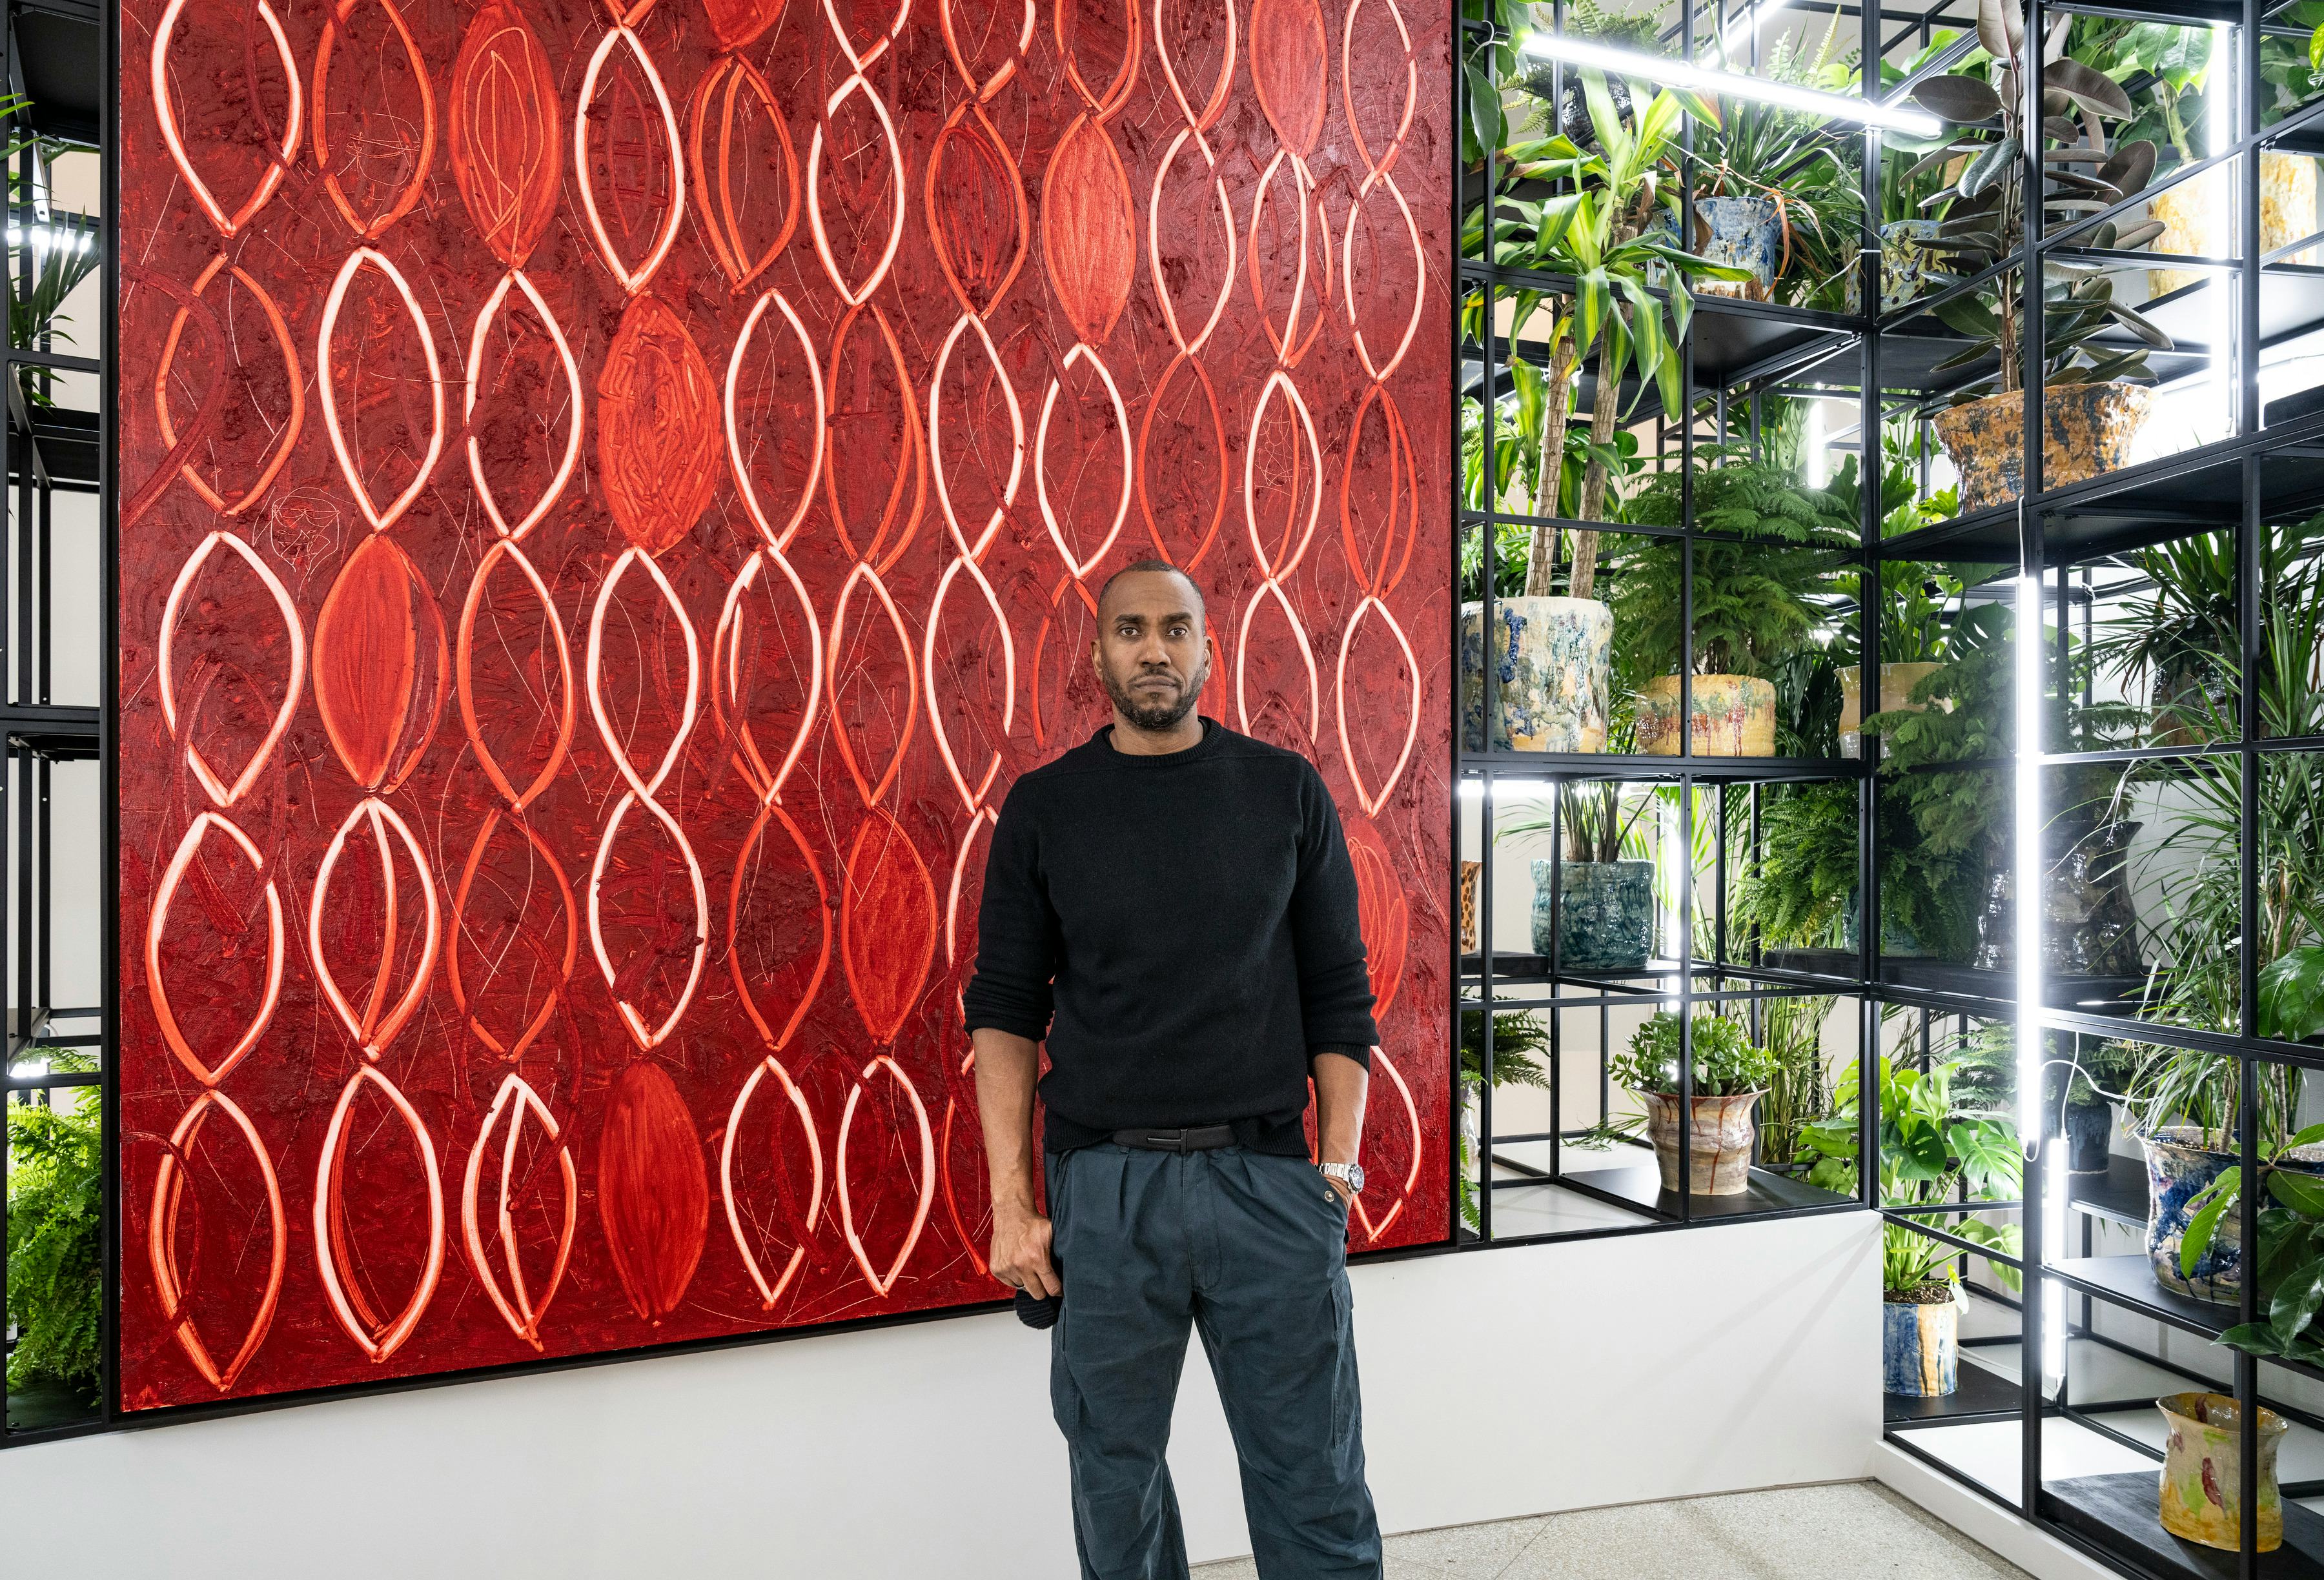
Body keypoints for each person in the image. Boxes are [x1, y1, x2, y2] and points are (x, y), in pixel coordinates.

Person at [961, 558, 1385, 1580]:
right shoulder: (1044, 808)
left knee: (1314, 1478)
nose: (1155, 648)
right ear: (1099, 653)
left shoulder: (1284, 791)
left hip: (1270, 1186)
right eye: (1131, 630)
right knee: (1117, 1483)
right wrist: (1012, 1205)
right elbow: (1005, 1012)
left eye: (1176, 629)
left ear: (1207, 647)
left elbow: (1341, 993)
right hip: (1106, 1192)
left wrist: (1338, 1176)